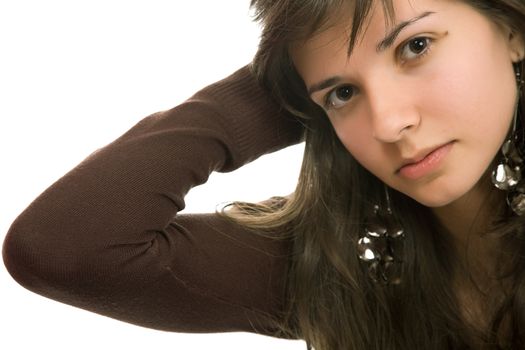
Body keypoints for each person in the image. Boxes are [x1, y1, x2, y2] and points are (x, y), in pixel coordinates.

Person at [3, 0, 525, 349]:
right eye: (342, 93)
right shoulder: (347, 269)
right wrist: (283, 86)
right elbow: (62, 248)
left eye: (416, 46)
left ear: (512, 30)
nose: (389, 123)